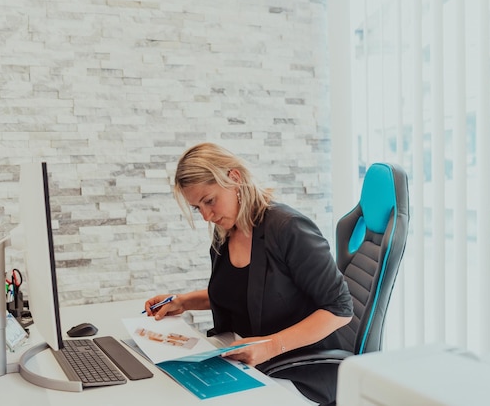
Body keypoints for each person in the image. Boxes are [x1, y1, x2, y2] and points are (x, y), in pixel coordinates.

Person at [144, 142, 353, 404]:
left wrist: (270, 346)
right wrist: (183, 302)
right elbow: (242, 292)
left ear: (234, 178)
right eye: (198, 207)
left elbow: (340, 308)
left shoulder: (289, 229)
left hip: (301, 370)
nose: (207, 216)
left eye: (209, 201)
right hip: (246, 363)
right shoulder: (225, 234)